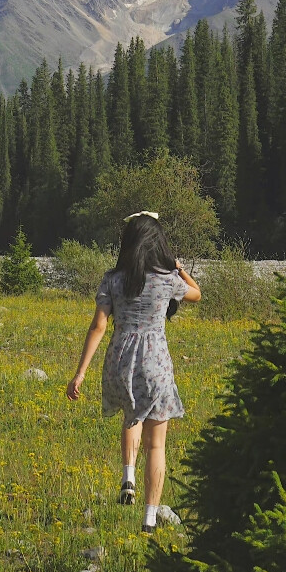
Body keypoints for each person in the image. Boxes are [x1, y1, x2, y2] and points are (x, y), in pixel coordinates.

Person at [66, 211, 201, 529]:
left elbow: (99, 326)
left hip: (120, 359)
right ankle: (150, 518)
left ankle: (128, 476)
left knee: (131, 415)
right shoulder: (167, 280)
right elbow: (196, 293)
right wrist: (178, 266)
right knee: (157, 444)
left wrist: (80, 373)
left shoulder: (112, 279)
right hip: (155, 363)